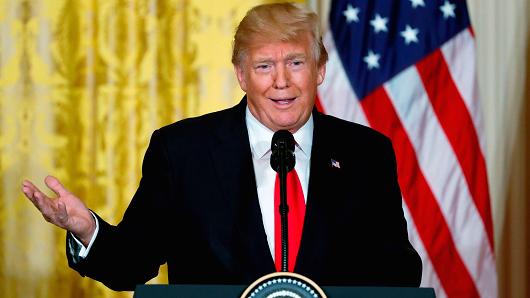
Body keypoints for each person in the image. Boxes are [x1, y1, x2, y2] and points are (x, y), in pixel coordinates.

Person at [22, 2, 422, 291]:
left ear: (319, 69)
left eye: (296, 63)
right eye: (264, 66)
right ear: (241, 75)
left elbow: (400, 273)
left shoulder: (366, 153)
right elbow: (132, 263)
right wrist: (87, 229)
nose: (281, 81)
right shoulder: (181, 152)